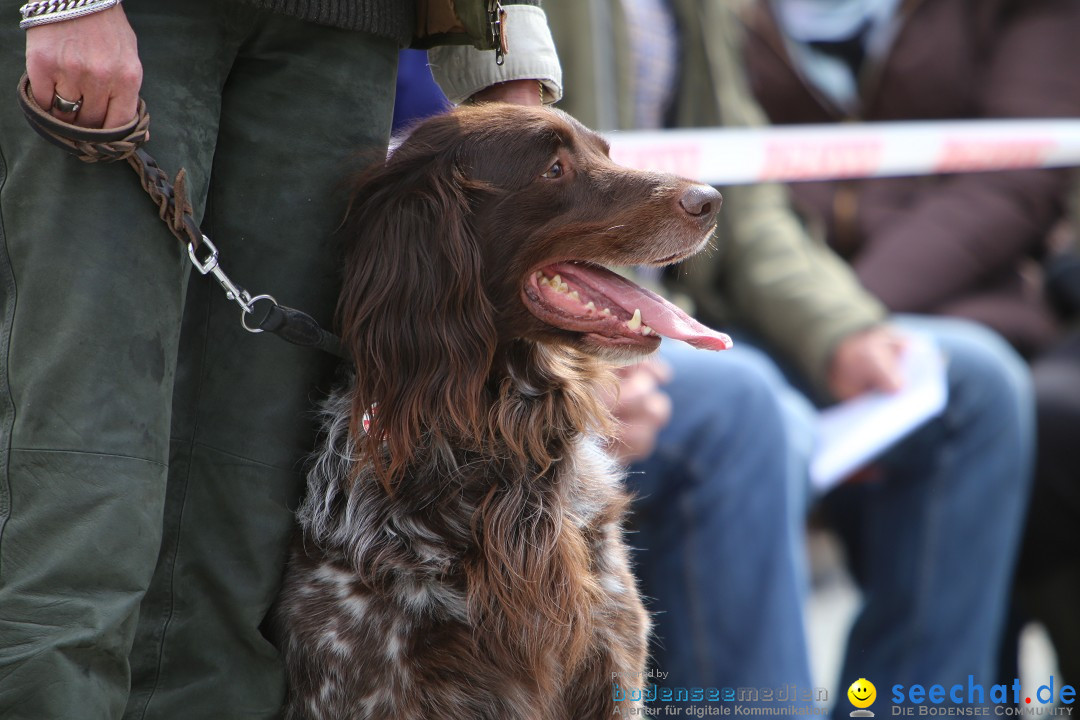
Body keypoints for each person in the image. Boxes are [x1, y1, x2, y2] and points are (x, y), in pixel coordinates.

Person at [0, 2, 561, 718]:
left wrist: (501, 52)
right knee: (81, 490)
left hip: (349, 29)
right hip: (131, 20)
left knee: (246, 543)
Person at [546, 0, 1034, 709]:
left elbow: (743, 199)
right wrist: (569, 369)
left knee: (974, 383)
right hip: (561, 332)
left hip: (666, 314)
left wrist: (840, 331)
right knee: (741, 408)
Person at [739, 0, 1080, 688]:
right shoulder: (719, 15)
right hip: (770, 305)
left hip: (970, 306)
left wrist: (844, 316)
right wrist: (824, 322)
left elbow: (1014, 180)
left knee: (989, 398)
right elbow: (736, 199)